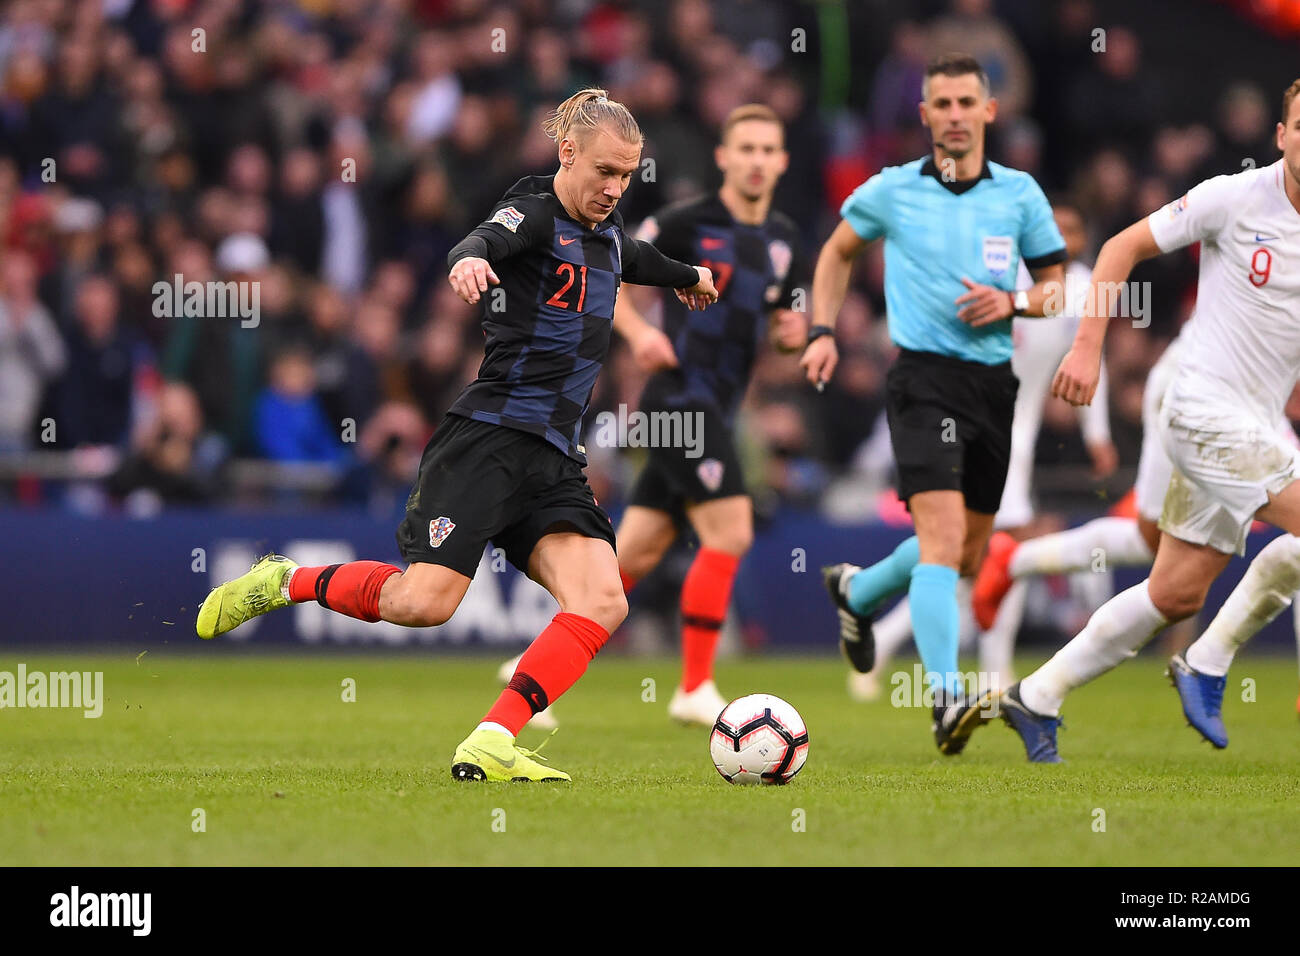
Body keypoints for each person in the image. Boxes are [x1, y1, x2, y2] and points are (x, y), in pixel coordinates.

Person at [195, 89, 719, 783]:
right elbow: (482, 240)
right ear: (568, 153)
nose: (615, 188)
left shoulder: (608, 235)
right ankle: (285, 580)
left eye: (627, 175)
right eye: (605, 172)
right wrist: (470, 261)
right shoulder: (532, 212)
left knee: (602, 598)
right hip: (490, 440)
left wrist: (691, 276)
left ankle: (492, 738)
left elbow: (636, 256)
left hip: (555, 456)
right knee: (424, 603)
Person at [985, 79, 1300, 762]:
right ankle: (1209, 661)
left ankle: (1036, 696)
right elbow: (1120, 248)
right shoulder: (1234, 198)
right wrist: (1088, 347)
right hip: (1200, 411)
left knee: (1176, 590)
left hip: (1255, 425)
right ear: (1281, 135)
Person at [502, 104, 808, 728]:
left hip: (719, 405)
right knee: (731, 532)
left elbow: (779, 327)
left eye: (766, 149)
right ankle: (695, 685)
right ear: (724, 157)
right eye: (743, 148)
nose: (755, 160)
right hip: (675, 400)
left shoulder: (783, 241)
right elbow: (606, 270)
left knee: (632, 559)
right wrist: (640, 334)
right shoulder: (684, 221)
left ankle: (528, 667)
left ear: (781, 160)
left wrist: (791, 333)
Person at [802, 53, 1067, 754]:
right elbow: (835, 254)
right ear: (923, 115)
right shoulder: (891, 191)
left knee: (967, 554)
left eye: (964, 103)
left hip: (992, 385)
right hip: (921, 380)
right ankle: (946, 697)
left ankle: (858, 596)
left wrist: (1011, 301)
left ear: (989, 111)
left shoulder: (1019, 194)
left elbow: (1057, 287)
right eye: (940, 103)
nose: (952, 115)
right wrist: (823, 329)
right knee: (946, 545)